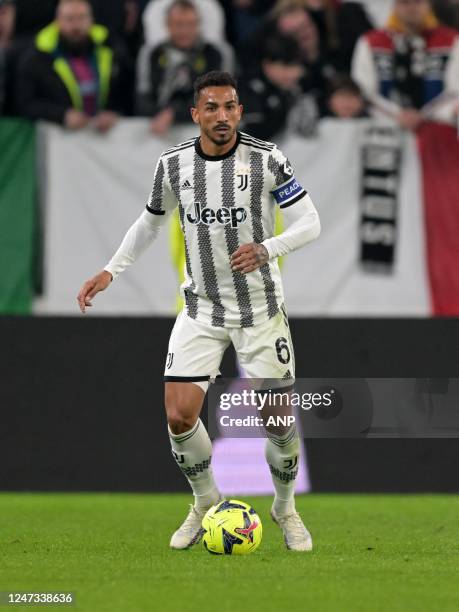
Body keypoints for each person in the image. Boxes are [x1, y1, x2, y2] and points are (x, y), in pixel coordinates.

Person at [77, 70, 321, 552]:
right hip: (201, 309)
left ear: (240, 112)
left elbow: (310, 222)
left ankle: (286, 507)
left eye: (230, 106)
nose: (222, 116)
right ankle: (206, 502)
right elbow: (149, 223)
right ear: (196, 115)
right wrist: (111, 270)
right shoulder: (173, 166)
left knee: (277, 422)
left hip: (259, 311)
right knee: (179, 415)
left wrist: (268, 248)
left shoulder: (268, 160)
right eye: (211, 107)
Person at [16, 0, 132, 130]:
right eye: (69, 19)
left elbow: (128, 92)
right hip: (57, 139)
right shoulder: (37, 56)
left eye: (82, 18)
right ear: (57, 21)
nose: (76, 26)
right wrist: (61, 115)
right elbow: (26, 103)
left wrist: (115, 112)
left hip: (107, 137)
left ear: (92, 20)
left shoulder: (112, 49)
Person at [351, 0, 459, 129]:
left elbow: (455, 89)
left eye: (418, 2)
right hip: (383, 129)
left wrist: (423, 116)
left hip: (438, 129)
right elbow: (363, 89)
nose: (412, 8)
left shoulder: (451, 40)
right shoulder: (370, 41)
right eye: (405, 2)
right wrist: (397, 115)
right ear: (394, 5)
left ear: (429, 4)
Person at [137, 0, 222, 135]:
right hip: (156, 132)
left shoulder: (213, 55)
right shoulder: (154, 54)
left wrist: (173, 113)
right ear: (167, 25)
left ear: (199, 25)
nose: (184, 30)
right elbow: (142, 98)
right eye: (178, 24)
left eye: (190, 24)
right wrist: (161, 114)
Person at [240, 34, 307, 140]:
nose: (293, 73)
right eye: (286, 66)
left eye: (296, 65)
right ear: (267, 65)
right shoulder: (248, 91)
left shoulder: (290, 86)